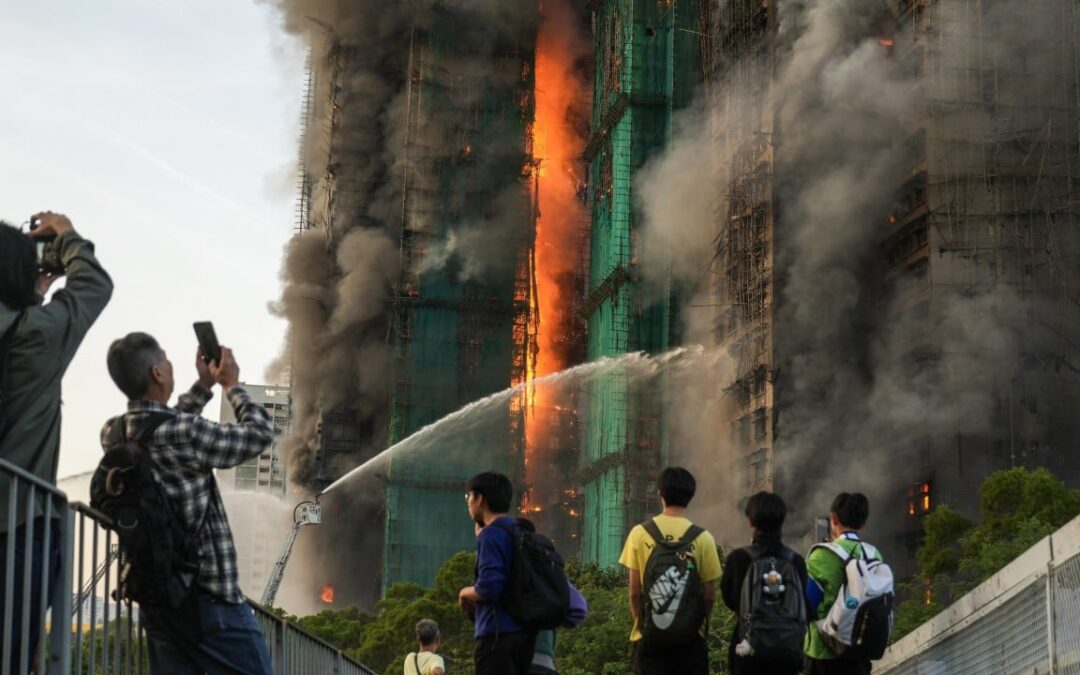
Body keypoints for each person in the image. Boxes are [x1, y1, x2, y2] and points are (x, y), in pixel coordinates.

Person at [101, 332, 274, 674]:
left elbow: (159, 426)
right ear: (157, 373)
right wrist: (231, 385)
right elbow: (259, 433)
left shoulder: (113, 434)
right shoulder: (187, 432)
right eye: (165, 359)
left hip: (158, 600)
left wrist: (203, 386)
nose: (169, 364)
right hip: (209, 598)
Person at [0, 212, 113, 671]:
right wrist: (66, 233)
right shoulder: (36, 334)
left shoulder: (26, 327)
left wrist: (30, 291)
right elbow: (94, 286)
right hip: (18, 527)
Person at [619, 467, 722, 675]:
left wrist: (642, 626)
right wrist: (695, 626)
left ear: (660, 493)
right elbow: (709, 596)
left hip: (651, 642)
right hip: (689, 644)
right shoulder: (703, 538)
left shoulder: (639, 534)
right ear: (691, 495)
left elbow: (634, 593)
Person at [720, 491, 808, 674]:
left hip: (748, 650)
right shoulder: (796, 561)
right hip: (787, 653)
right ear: (782, 521)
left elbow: (730, 600)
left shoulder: (739, 558)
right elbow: (805, 605)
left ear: (751, 522)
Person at [459, 472, 537, 675]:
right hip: (524, 636)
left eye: (469, 496)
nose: (468, 502)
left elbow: (489, 587)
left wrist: (464, 593)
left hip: (496, 637)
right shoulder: (520, 531)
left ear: (481, 499)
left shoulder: (491, 535)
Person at [804, 492, 880, 675]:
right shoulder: (873, 555)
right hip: (859, 652)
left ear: (834, 519)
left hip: (823, 652)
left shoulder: (821, 555)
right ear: (863, 523)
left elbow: (807, 605)